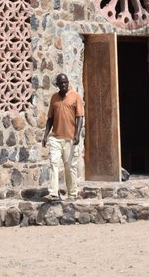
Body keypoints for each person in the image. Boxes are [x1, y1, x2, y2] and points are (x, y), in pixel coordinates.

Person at [41, 73, 85, 201]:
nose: (63, 85)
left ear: (68, 82)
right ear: (58, 85)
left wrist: (77, 134)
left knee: (69, 167)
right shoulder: (54, 98)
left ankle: (72, 193)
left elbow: (80, 117)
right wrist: (45, 135)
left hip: (70, 138)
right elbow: (50, 118)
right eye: (61, 83)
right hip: (55, 137)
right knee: (53, 163)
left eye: (65, 82)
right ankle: (54, 193)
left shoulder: (76, 96)